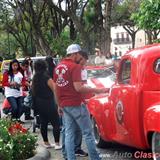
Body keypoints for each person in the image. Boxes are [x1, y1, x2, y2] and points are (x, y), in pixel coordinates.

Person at [54, 44, 107, 160]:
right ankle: (95, 158)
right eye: (78, 54)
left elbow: (57, 88)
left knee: (69, 134)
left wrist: (58, 104)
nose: (80, 57)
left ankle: (70, 158)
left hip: (64, 104)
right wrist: (98, 90)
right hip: (76, 103)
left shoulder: (58, 67)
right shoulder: (74, 67)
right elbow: (78, 88)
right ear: (75, 54)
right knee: (88, 133)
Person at [61, 50, 89, 159]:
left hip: (75, 102)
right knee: (68, 130)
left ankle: (75, 149)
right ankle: (66, 153)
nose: (83, 65)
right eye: (82, 62)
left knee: (74, 129)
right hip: (69, 103)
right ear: (77, 56)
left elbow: (83, 85)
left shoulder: (80, 69)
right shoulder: (67, 68)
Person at [32, 59, 61, 149]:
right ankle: (57, 144)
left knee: (43, 123)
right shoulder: (46, 77)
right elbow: (55, 89)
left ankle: (46, 143)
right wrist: (58, 103)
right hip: (49, 102)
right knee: (55, 123)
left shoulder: (34, 78)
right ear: (45, 66)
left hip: (39, 103)